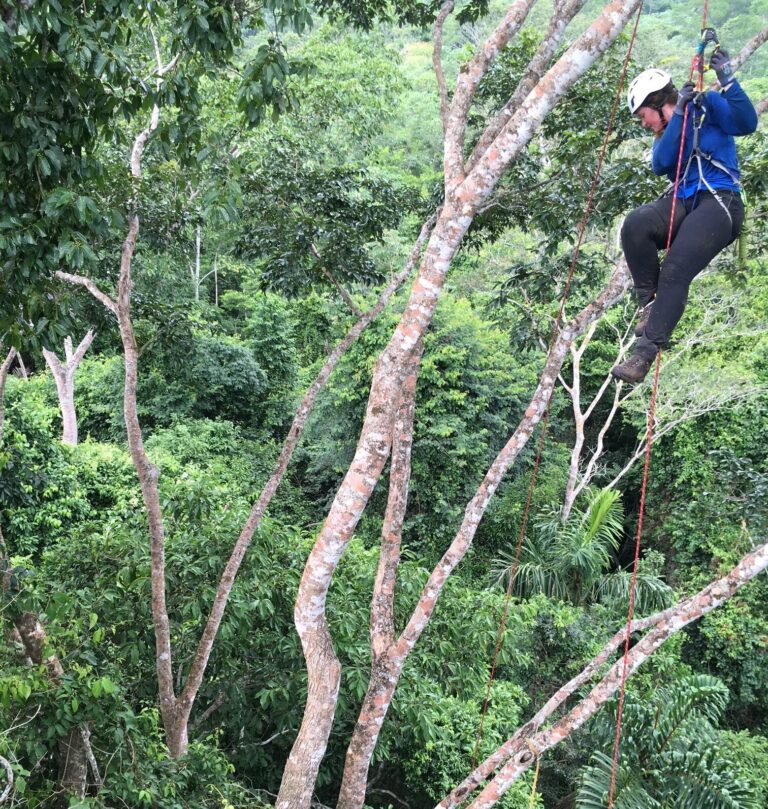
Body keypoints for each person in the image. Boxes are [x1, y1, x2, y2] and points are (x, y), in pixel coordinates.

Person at [611, 48, 758, 384]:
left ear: (656, 103)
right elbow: (661, 163)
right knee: (636, 224)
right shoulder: (671, 128)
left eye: (644, 115)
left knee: (675, 269)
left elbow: (745, 123)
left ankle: (643, 355)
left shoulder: (708, 106)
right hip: (685, 199)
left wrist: (728, 81)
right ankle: (650, 304)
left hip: (720, 201)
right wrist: (678, 113)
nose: (644, 123)